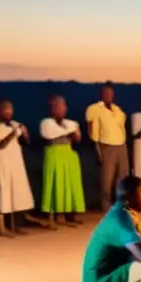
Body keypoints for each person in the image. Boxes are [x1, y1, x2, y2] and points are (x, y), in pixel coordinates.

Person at [39, 95, 86, 225]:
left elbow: (77, 137)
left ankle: (71, 213)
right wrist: (69, 132)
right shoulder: (46, 122)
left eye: (64, 106)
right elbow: (50, 134)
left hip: (69, 154)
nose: (62, 108)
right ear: (52, 108)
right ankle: (58, 215)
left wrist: (71, 133)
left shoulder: (69, 122)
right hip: (55, 154)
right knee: (57, 185)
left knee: (71, 185)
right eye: (59, 106)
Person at [0, 99, 41, 235]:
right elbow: (0, 145)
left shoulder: (15, 125)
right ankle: (2, 228)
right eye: (5, 108)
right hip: (2, 163)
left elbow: (25, 142)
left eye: (10, 108)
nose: (9, 111)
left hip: (15, 162)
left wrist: (24, 134)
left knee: (16, 194)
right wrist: (13, 133)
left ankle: (14, 225)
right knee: (3, 194)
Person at [85, 82, 129, 211]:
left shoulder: (117, 110)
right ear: (101, 94)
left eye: (110, 92)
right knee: (106, 180)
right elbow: (92, 129)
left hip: (121, 146)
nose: (108, 95)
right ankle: (106, 207)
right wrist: (97, 148)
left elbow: (121, 128)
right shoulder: (94, 109)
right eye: (105, 92)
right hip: (106, 146)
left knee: (122, 178)